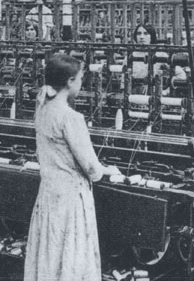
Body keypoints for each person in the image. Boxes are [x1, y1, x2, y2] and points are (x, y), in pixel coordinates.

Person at [24, 54, 121, 281]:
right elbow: (91, 169)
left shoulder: (42, 110)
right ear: (69, 81)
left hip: (49, 194)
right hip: (70, 200)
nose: (81, 83)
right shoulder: (71, 118)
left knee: (50, 253)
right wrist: (107, 169)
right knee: (71, 257)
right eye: (79, 79)